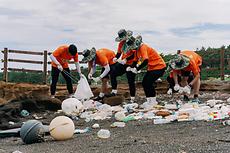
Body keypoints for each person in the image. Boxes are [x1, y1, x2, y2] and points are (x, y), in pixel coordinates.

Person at [125, 35, 166, 108]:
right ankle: (149, 101)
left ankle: (153, 102)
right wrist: (130, 67)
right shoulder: (137, 51)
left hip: (159, 66)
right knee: (145, 83)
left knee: (148, 82)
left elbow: (145, 60)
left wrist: (137, 69)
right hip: (152, 68)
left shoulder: (143, 47)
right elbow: (135, 61)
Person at [111, 29, 138, 103]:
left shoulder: (133, 42)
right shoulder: (121, 44)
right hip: (123, 63)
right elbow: (119, 53)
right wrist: (116, 57)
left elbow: (135, 54)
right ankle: (114, 91)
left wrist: (126, 59)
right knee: (113, 73)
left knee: (131, 81)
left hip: (132, 63)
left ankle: (132, 98)